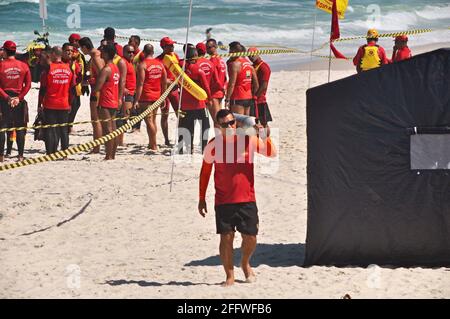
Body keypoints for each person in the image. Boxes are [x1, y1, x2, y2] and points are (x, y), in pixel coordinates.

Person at [198, 109, 277, 286]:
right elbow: (205, 172)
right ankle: (229, 275)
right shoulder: (213, 145)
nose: (230, 126)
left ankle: (245, 262)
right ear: (218, 126)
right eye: (225, 124)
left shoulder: (248, 139)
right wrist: (201, 198)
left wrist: (263, 133)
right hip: (224, 199)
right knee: (226, 237)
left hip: (247, 198)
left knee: (251, 237)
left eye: (232, 122)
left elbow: (271, 152)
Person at [39, 46, 75, 155]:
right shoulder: (69, 68)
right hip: (64, 104)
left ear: (54, 54)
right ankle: (64, 154)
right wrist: (70, 103)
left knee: (51, 129)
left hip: (50, 103)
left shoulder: (49, 69)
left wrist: (39, 104)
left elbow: (43, 89)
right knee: (63, 129)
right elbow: (72, 89)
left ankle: (51, 152)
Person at [0, 40, 31, 162]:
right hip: (19, 100)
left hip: (3, 100)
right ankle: (21, 155)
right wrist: (19, 97)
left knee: (2, 128)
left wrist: (7, 98)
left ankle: (1, 156)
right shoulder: (23, 65)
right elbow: (28, 84)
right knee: (19, 129)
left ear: (5, 51)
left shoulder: (1, 65)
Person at [177, 44, 211, 154]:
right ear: (196, 55)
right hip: (199, 104)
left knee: (186, 126)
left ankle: (186, 149)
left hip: (185, 103)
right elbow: (206, 88)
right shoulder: (199, 71)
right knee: (205, 126)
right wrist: (209, 99)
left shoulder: (180, 66)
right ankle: (204, 148)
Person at [134, 44, 167, 151]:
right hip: (157, 96)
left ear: (143, 52)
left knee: (149, 122)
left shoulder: (142, 65)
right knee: (153, 120)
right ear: (153, 52)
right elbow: (164, 82)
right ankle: (151, 143)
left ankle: (154, 144)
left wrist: (136, 100)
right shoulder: (160, 64)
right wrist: (163, 97)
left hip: (146, 96)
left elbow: (140, 84)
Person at [93, 44, 121, 160]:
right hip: (113, 100)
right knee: (113, 129)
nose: (101, 54)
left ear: (106, 54)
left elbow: (97, 88)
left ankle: (109, 155)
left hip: (105, 101)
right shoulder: (115, 67)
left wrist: (92, 81)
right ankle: (112, 155)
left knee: (108, 130)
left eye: (102, 52)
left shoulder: (106, 69)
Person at [79, 37, 105, 153]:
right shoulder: (96, 55)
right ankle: (97, 146)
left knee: (96, 120)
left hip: (97, 92)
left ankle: (96, 148)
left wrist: (90, 81)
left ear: (84, 47)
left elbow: (102, 74)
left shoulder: (95, 56)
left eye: (81, 48)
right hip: (97, 90)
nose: (81, 50)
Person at [156, 36, 180, 146]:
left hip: (175, 90)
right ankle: (166, 140)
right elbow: (157, 75)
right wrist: (165, 80)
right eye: (170, 45)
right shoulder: (158, 60)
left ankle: (180, 138)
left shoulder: (176, 56)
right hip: (164, 91)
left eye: (172, 44)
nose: (172, 47)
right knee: (164, 115)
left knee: (179, 114)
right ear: (164, 47)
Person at [225, 41, 258, 116]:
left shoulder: (235, 64)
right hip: (248, 97)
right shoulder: (248, 64)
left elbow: (231, 84)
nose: (229, 52)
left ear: (233, 51)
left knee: (239, 123)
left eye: (230, 50)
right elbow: (256, 84)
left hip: (237, 97)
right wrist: (253, 95)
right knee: (246, 123)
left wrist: (227, 98)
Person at [117, 44, 136, 146]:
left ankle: (120, 141)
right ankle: (119, 141)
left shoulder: (129, 62)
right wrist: (123, 89)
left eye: (132, 52)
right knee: (123, 118)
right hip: (126, 94)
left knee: (125, 117)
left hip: (132, 92)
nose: (131, 54)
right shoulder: (123, 62)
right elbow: (120, 78)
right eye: (129, 52)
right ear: (124, 52)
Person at [196, 42, 220, 124]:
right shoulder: (210, 63)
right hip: (209, 94)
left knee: (200, 122)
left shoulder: (194, 64)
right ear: (205, 51)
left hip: (197, 95)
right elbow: (216, 80)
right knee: (212, 121)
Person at [248, 47, 273, 127]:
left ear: (257, 54)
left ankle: (266, 139)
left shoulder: (264, 67)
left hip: (260, 100)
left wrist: (256, 96)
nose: (250, 57)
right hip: (252, 99)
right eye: (249, 56)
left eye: (252, 55)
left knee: (263, 123)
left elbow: (264, 86)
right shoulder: (252, 66)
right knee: (255, 124)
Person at [206, 39, 227, 126]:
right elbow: (225, 77)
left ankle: (220, 139)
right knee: (220, 119)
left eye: (210, 47)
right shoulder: (221, 59)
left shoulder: (212, 60)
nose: (207, 49)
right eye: (207, 47)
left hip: (214, 92)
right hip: (220, 92)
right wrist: (224, 88)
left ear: (215, 47)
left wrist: (221, 87)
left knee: (217, 121)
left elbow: (215, 79)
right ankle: (222, 138)